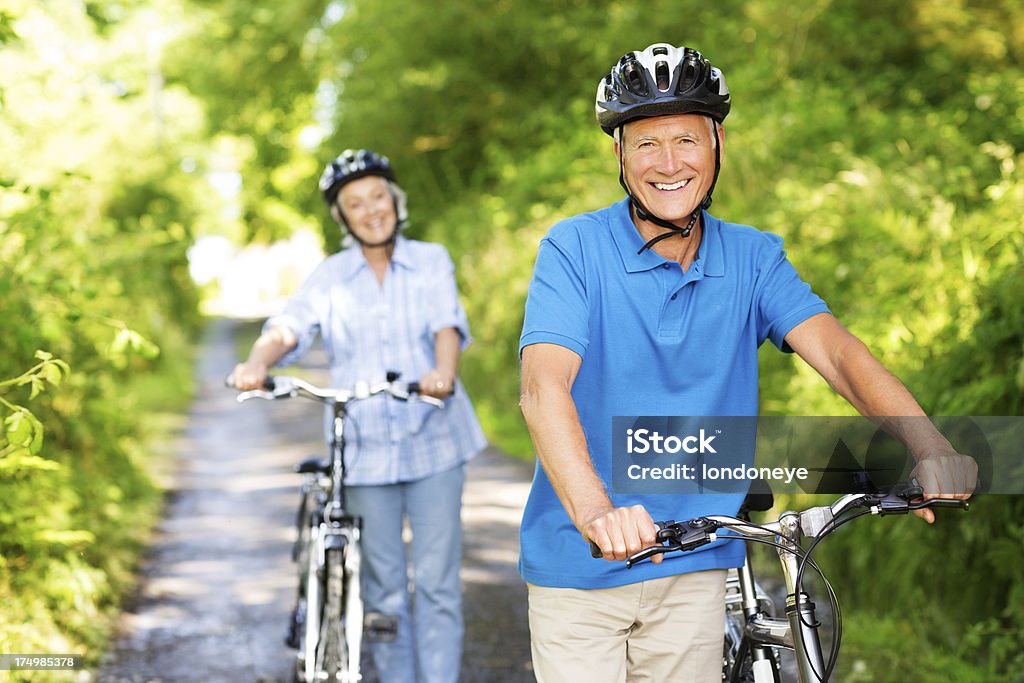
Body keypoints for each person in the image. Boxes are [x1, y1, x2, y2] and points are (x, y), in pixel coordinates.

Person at [517, 43, 977, 682]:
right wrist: (598, 513)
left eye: (686, 140)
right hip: (581, 565)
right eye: (647, 143)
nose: (669, 163)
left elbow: (841, 357)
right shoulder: (575, 249)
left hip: (696, 566)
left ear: (717, 146)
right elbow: (544, 388)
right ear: (619, 154)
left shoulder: (754, 258)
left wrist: (927, 444)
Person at [230, 149, 487, 683]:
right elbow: (290, 326)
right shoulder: (331, 275)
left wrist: (443, 370)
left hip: (435, 438)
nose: (371, 210)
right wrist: (258, 361)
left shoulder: (431, 259)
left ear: (395, 201)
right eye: (355, 203)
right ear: (342, 218)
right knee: (384, 587)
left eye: (378, 197)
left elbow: (446, 322)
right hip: (365, 449)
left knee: (438, 583)